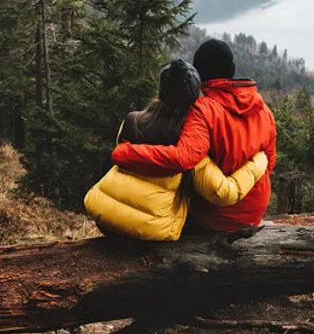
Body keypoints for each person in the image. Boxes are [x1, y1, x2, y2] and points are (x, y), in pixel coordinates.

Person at [84, 59, 268, 241]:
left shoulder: (132, 121)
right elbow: (222, 192)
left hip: (105, 216)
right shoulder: (189, 142)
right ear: (194, 97)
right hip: (151, 231)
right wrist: (259, 162)